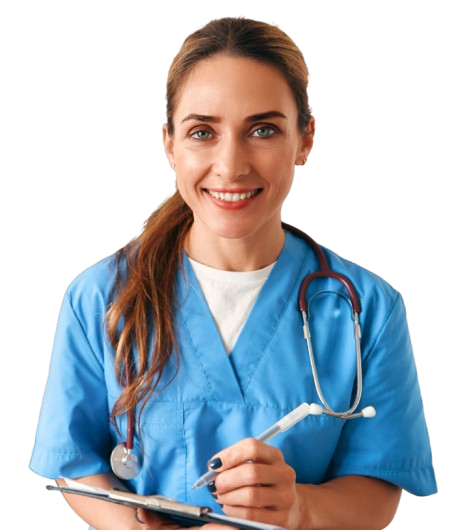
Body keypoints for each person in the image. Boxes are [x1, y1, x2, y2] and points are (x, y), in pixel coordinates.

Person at [30, 15, 437, 530]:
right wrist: (134, 528)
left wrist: (297, 508)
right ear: (169, 144)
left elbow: (378, 492)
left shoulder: (369, 307)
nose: (231, 165)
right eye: (203, 132)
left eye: (262, 130)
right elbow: (72, 465)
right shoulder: (99, 297)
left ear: (306, 140)